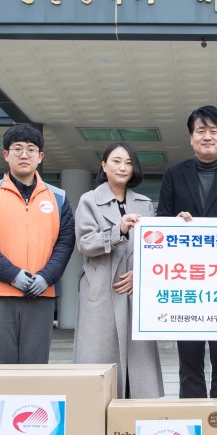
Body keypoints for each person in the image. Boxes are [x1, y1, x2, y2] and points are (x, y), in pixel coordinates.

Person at [157, 105, 217, 403]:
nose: (207, 136)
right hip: (186, 284)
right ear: (191, 138)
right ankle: (194, 419)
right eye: (201, 131)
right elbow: (162, 220)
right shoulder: (173, 174)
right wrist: (176, 224)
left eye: (214, 131)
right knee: (188, 361)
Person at [0, 124, 75, 364]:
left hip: (42, 293)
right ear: (6, 155)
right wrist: (14, 276)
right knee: (1, 366)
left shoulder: (58, 198)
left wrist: (46, 277)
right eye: (17, 149)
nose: (24, 154)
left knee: (35, 367)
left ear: (40, 157)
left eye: (31, 149)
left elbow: (66, 242)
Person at [74, 142, 163, 398]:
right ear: (103, 165)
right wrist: (119, 230)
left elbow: (154, 246)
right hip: (102, 288)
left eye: (128, 162)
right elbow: (86, 243)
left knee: (138, 363)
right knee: (99, 360)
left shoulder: (144, 203)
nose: (122, 167)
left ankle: (134, 421)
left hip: (135, 289)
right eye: (116, 161)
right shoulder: (89, 200)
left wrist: (142, 274)